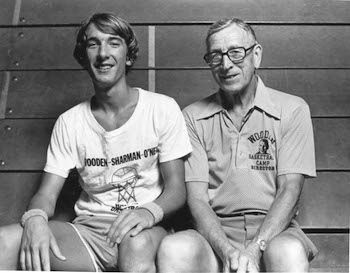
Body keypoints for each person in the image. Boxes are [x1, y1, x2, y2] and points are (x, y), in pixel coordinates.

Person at [0, 13, 191, 272]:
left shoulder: (162, 108)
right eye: (93, 44)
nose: (103, 53)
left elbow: (177, 189)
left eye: (113, 42)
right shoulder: (70, 122)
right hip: (88, 234)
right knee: (6, 241)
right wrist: (35, 219)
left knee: (135, 245)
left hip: (145, 228)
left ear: (128, 54)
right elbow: (46, 194)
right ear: (84, 56)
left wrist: (148, 214)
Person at [158, 18, 318, 272]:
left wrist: (255, 249)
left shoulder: (292, 109)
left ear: (256, 55)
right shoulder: (192, 116)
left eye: (235, 52)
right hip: (214, 233)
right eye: (216, 56)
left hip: (274, 230)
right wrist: (227, 251)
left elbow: (290, 189)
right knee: (174, 248)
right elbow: (197, 199)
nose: (226, 64)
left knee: (287, 251)